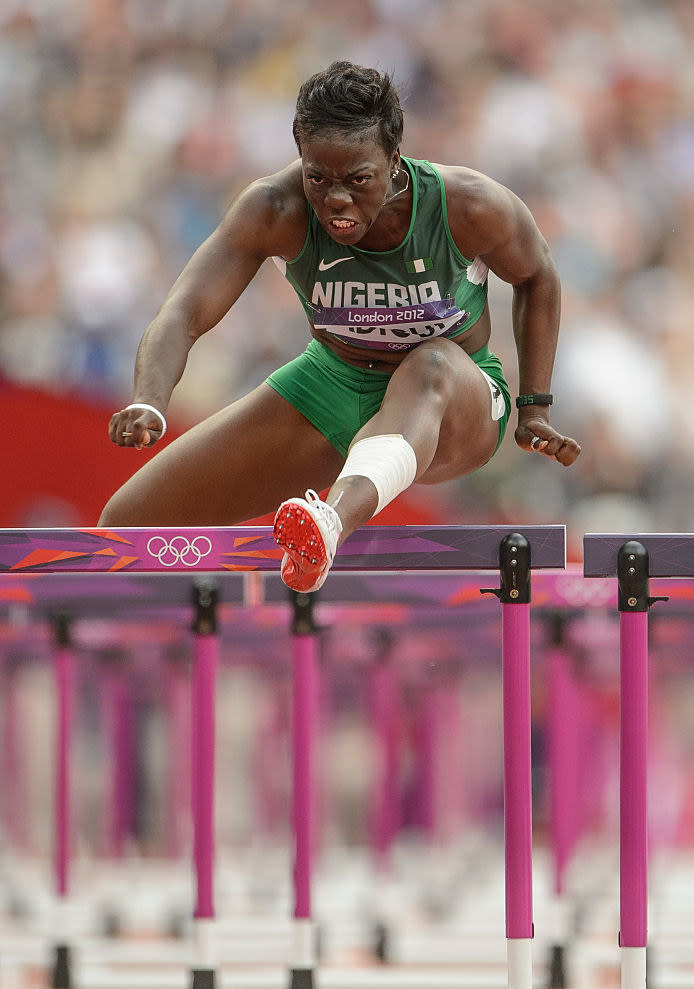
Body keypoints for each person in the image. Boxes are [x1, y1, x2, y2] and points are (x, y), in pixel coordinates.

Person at [99, 60, 580, 592]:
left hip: (453, 403)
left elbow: (538, 276)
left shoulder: (468, 205)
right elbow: (183, 310)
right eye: (317, 178)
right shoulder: (274, 207)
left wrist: (535, 407)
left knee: (434, 359)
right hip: (334, 381)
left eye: (358, 180)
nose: (336, 201)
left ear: (394, 159)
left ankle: (328, 525)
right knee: (123, 531)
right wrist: (149, 398)